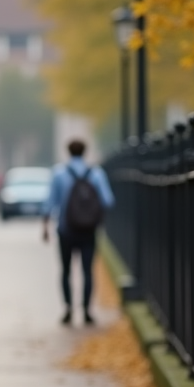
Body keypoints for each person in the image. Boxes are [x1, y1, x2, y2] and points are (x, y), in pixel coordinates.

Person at [41, 139, 115, 325]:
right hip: (88, 230)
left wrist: (45, 226)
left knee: (65, 270)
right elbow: (108, 201)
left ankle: (68, 308)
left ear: (68, 152)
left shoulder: (59, 173)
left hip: (65, 230)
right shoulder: (96, 174)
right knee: (87, 271)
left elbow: (50, 203)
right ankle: (87, 310)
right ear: (85, 152)